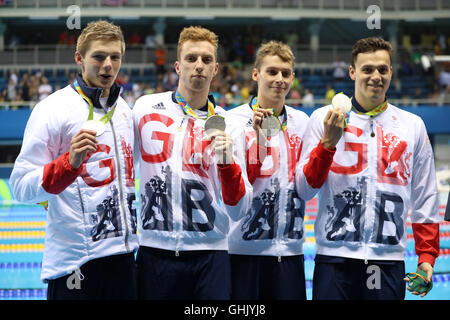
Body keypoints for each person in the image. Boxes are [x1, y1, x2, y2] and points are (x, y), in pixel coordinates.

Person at [296, 37, 440, 300]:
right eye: (367, 69)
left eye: (382, 69)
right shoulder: (323, 119)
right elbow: (304, 190)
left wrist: (427, 256)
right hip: (334, 260)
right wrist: (327, 145)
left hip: (387, 262)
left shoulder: (412, 125)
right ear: (352, 72)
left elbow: (425, 194)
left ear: (391, 73)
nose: (376, 76)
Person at [10, 20, 138, 300]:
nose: (108, 65)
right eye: (99, 56)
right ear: (79, 58)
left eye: (115, 57)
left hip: (125, 259)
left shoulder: (124, 110)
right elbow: (20, 186)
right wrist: (69, 163)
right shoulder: (53, 109)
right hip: (76, 264)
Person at [133, 26, 251, 300]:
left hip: (210, 255)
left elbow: (239, 210)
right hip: (154, 251)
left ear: (216, 69)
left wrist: (227, 164)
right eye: (191, 59)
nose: (199, 66)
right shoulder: (145, 108)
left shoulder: (230, 125)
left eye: (206, 60)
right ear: (177, 65)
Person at [226, 41, 308, 300]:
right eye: (272, 72)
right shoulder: (233, 121)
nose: (279, 79)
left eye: (286, 73)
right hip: (243, 253)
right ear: (255, 74)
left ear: (293, 78)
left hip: (290, 254)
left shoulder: (302, 122)